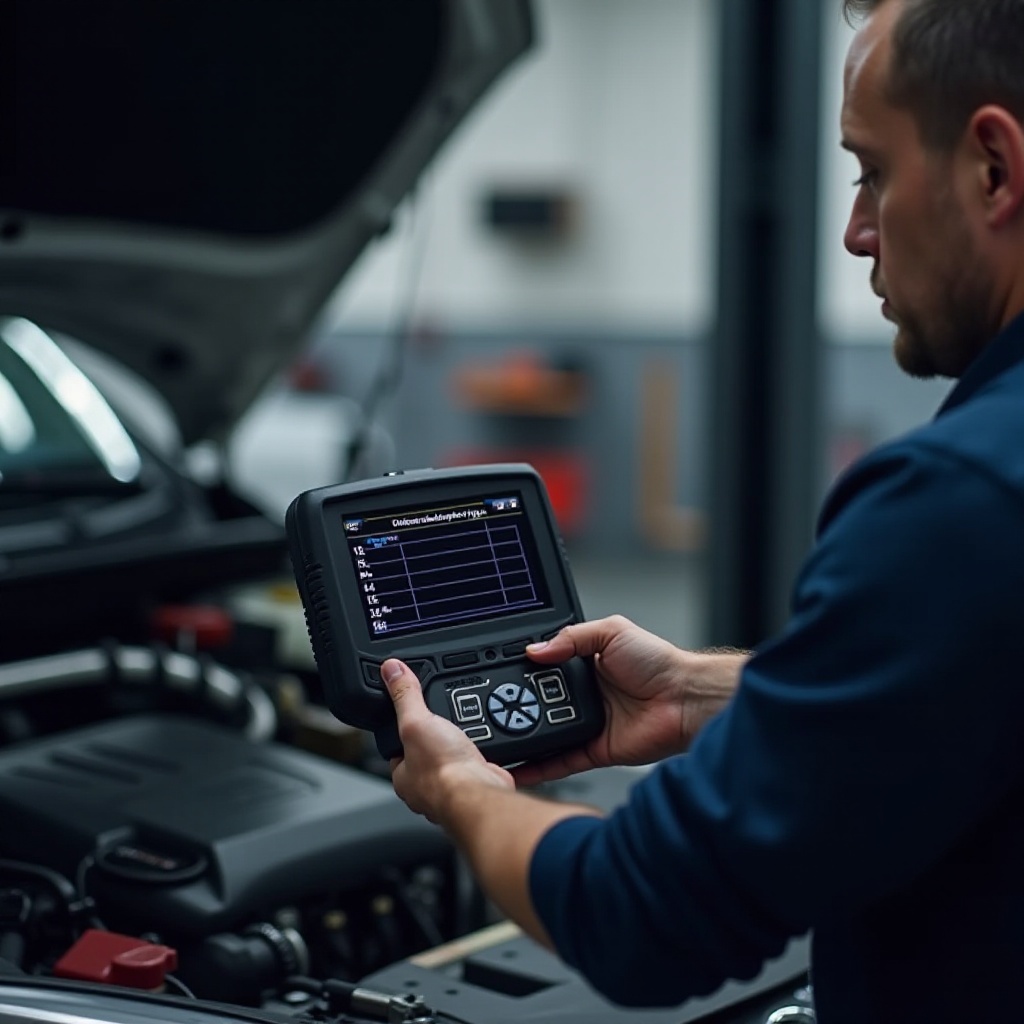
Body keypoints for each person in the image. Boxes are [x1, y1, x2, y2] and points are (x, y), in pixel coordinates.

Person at [381, 0, 1024, 1020]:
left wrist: (462, 790)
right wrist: (707, 691)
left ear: (992, 167)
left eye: (871, 170)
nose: (856, 230)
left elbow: (642, 911)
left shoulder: (960, 499)